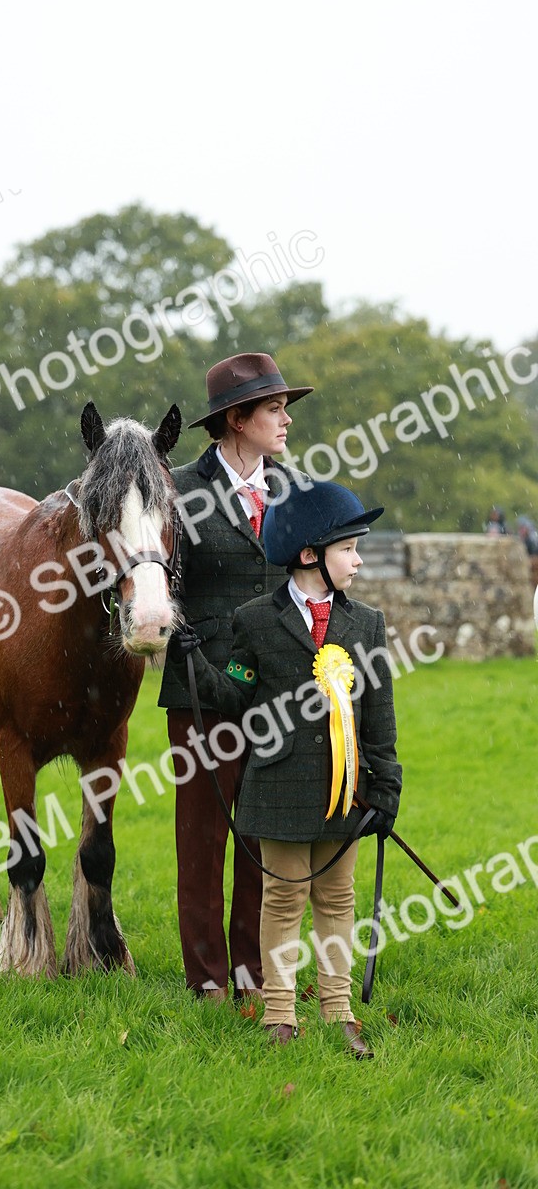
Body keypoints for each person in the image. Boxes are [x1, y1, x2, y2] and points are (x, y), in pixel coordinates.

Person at [168, 480, 402, 1057]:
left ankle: (339, 1011)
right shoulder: (255, 622)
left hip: (347, 792)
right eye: (349, 548)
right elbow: (236, 691)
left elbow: (378, 714)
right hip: (276, 789)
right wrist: (193, 661)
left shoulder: (367, 624)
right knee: (282, 899)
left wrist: (386, 784)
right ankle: (279, 1012)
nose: (358, 559)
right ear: (309, 555)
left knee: (337, 900)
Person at [158, 351, 314, 1006]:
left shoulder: (294, 491)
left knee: (261, 834)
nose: (284, 420)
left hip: (277, 692)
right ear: (236, 419)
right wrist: (198, 658)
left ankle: (251, 972)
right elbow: (162, 591)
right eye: (273, 409)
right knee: (202, 838)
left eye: (283, 408)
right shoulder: (179, 491)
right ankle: (207, 981)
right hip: (200, 689)